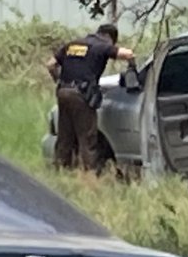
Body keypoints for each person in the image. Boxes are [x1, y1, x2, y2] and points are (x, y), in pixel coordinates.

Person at [46, 23, 135, 170]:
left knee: (65, 137)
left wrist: (59, 80)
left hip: (63, 93)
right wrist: (132, 65)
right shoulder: (102, 46)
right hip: (81, 96)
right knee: (87, 139)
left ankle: (60, 170)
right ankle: (90, 175)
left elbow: (50, 65)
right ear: (111, 38)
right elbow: (127, 54)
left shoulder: (73, 45)